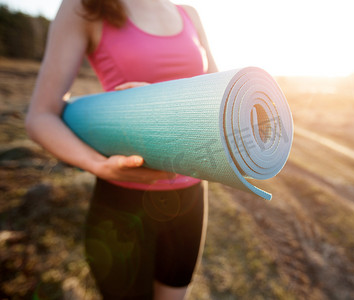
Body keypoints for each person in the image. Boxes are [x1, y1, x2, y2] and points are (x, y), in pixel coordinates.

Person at [26, 0, 218, 298]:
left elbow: (216, 98)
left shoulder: (188, 14)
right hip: (122, 203)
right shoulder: (85, 7)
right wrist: (97, 164)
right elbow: (41, 115)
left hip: (191, 199)